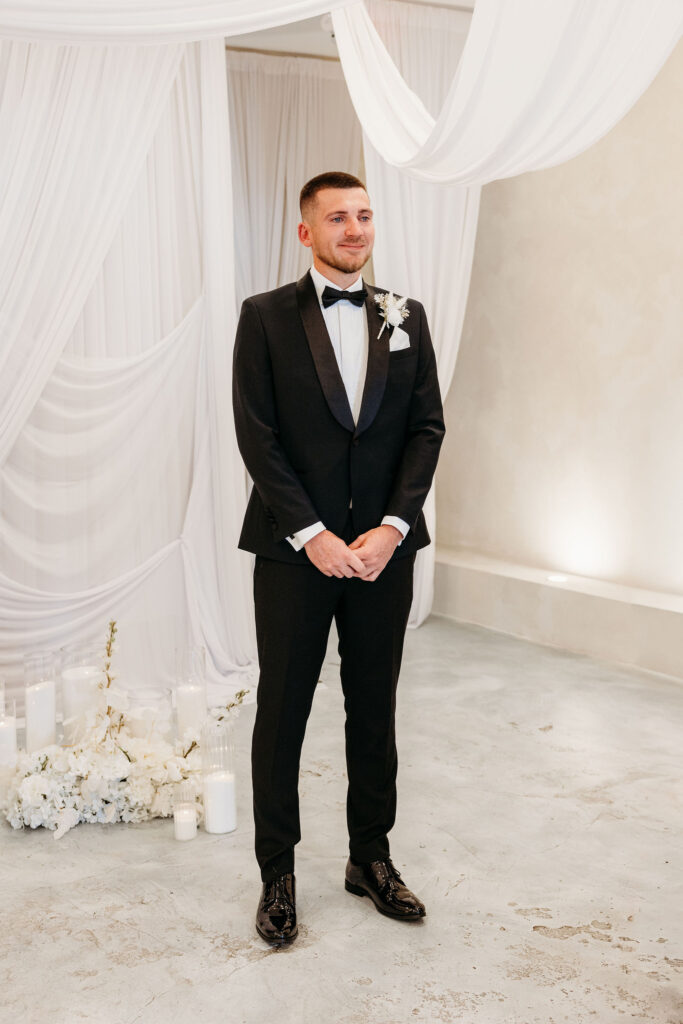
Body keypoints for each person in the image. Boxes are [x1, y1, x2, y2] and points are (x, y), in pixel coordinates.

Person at [232, 170, 445, 946]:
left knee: (374, 708)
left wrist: (391, 527)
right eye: (336, 218)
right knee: (282, 713)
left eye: (363, 215)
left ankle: (370, 858)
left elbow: (425, 428)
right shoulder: (263, 317)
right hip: (295, 554)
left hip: (383, 555)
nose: (354, 229)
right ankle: (277, 874)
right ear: (306, 232)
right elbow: (257, 434)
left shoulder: (405, 315)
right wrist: (311, 534)